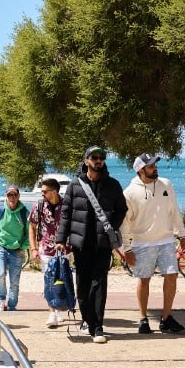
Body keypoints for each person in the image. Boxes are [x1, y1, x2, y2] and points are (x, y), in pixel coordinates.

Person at [55, 146, 127, 344]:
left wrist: (111, 226)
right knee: (82, 286)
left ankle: (97, 326)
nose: (98, 160)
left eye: (101, 158)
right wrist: (60, 240)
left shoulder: (113, 185)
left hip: (102, 244)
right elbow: (66, 215)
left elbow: (122, 209)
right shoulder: (74, 185)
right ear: (86, 160)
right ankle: (87, 319)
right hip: (81, 244)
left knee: (99, 284)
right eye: (94, 157)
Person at [119, 154, 185, 334]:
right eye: (150, 166)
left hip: (166, 240)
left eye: (155, 165)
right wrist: (126, 249)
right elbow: (125, 223)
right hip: (142, 243)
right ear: (140, 170)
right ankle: (143, 319)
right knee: (144, 280)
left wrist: (182, 234)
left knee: (172, 275)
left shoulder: (166, 184)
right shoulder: (129, 193)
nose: (155, 168)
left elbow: (174, 210)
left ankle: (166, 318)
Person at [28, 177, 70, 328]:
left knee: (62, 280)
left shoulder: (67, 205)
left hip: (65, 249)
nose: (42, 194)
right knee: (49, 280)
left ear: (54, 191)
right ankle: (52, 312)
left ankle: (60, 307)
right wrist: (33, 249)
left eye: (45, 191)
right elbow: (32, 229)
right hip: (45, 249)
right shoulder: (38, 206)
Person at [0, 185, 30, 312]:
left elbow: (29, 232)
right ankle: (1, 299)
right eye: (10, 195)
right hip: (1, 249)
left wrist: (23, 247)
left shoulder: (24, 213)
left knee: (14, 281)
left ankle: (12, 305)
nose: (12, 197)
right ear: (6, 196)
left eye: (15, 195)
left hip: (17, 251)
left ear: (19, 196)